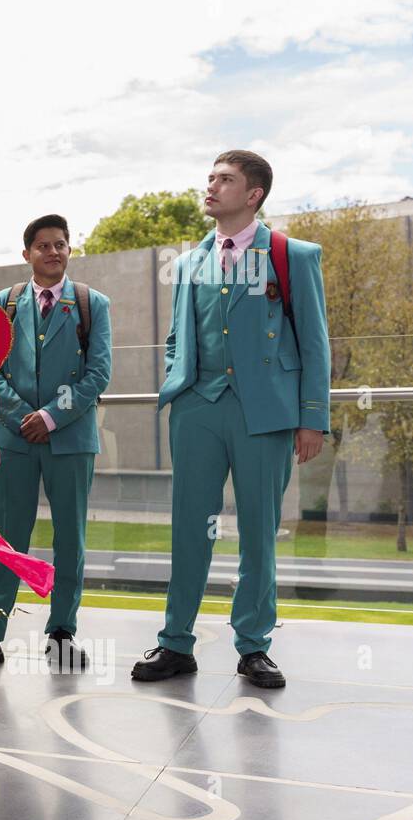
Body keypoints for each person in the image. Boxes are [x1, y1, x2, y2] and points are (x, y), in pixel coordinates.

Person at [133, 151, 329, 689]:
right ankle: (176, 643)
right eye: (211, 177)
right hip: (197, 407)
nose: (212, 186)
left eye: (226, 180)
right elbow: (179, 333)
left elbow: (314, 341)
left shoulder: (293, 255)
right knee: (189, 531)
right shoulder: (191, 260)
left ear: (254, 195)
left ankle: (253, 647)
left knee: (259, 535)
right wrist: (179, 379)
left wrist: (312, 417)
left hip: (264, 411)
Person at [0, 214, 113, 673]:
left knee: (70, 539)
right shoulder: (3, 304)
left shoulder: (92, 304)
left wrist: (52, 417)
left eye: (61, 244)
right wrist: (24, 417)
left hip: (72, 440)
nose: (53, 252)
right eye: (43, 246)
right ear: (27, 254)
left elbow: (98, 374)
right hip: (15, 441)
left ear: (69, 251)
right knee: (5, 537)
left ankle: (62, 633)